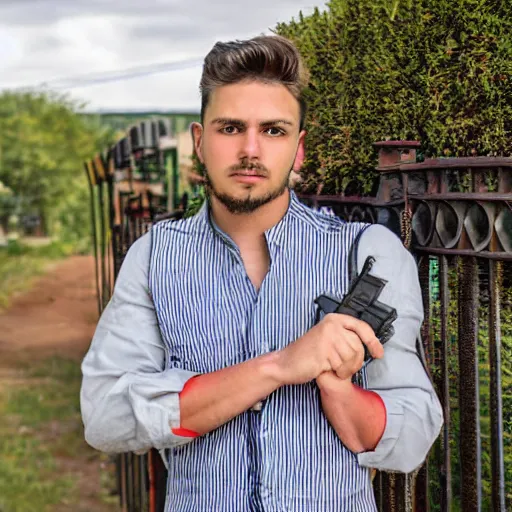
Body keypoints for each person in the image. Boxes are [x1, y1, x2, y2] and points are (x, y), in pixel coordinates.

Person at [80, 35, 443, 512]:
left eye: (273, 131)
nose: (250, 150)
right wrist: (277, 367)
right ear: (198, 142)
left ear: (298, 148)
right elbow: (105, 416)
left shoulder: (367, 253)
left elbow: (413, 433)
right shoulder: (154, 257)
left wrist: (336, 386)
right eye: (230, 128)